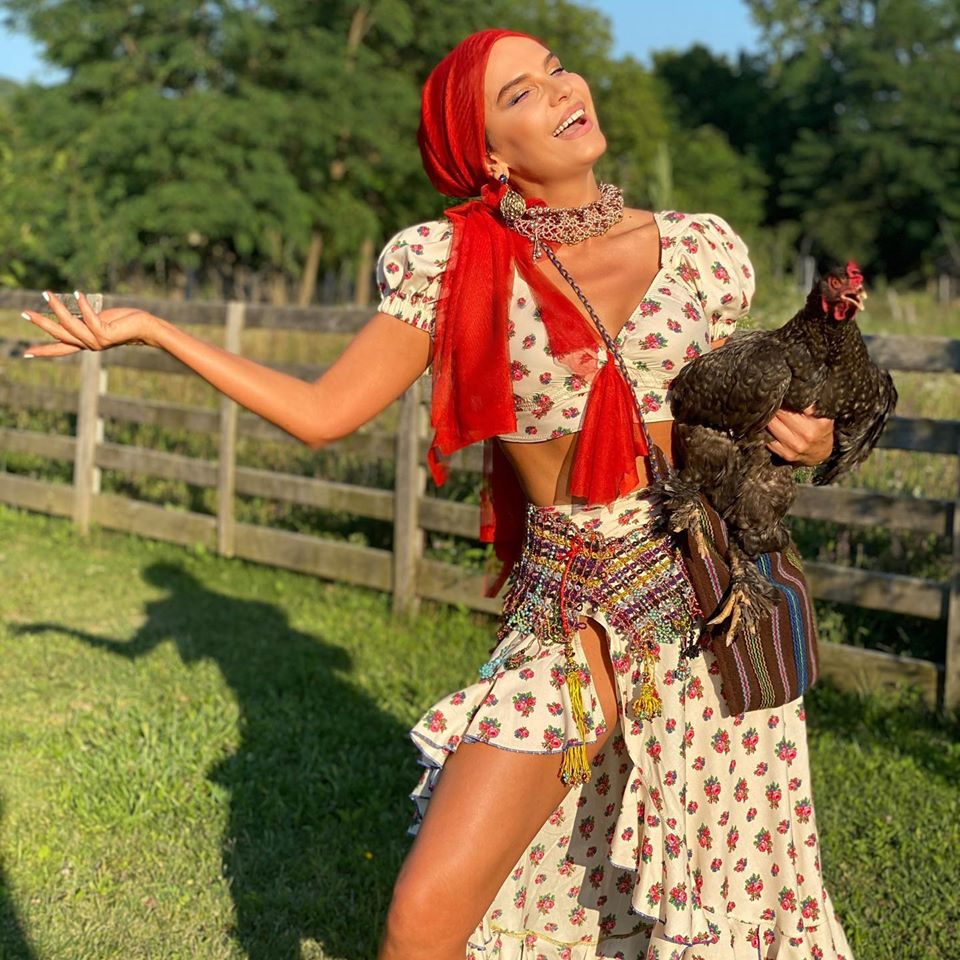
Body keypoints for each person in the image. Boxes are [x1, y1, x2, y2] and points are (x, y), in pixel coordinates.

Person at [21, 28, 853, 960]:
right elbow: (324, 412)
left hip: (708, 605)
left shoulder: (699, 251)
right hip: (573, 607)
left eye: (555, 70)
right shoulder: (451, 266)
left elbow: (730, 424)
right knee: (423, 915)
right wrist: (156, 330)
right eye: (520, 92)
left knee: (718, 914)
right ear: (488, 155)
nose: (561, 89)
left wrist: (806, 442)